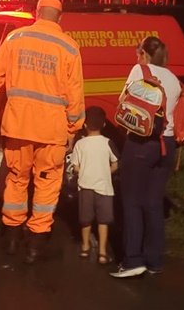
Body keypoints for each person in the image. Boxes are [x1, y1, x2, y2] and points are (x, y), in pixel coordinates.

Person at [0, 0, 85, 264]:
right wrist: (74, 127)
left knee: (16, 178)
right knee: (47, 184)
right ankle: (36, 244)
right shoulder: (69, 47)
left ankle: (12, 237)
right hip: (52, 130)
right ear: (60, 18)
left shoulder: (16, 38)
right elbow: (75, 93)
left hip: (18, 124)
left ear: (36, 13)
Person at [110, 36, 181, 278]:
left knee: (131, 201)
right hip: (167, 145)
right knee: (153, 203)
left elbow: (124, 100)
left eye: (138, 52)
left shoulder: (139, 71)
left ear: (144, 54)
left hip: (142, 143)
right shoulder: (173, 78)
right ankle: (154, 261)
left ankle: (132, 260)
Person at [71, 106, 118, 264]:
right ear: (104, 124)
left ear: (84, 125)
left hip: (85, 187)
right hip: (104, 188)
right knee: (103, 220)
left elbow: (75, 167)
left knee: (85, 219)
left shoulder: (80, 144)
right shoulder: (108, 143)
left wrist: (85, 171)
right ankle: (102, 253)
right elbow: (116, 164)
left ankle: (85, 247)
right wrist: (105, 172)